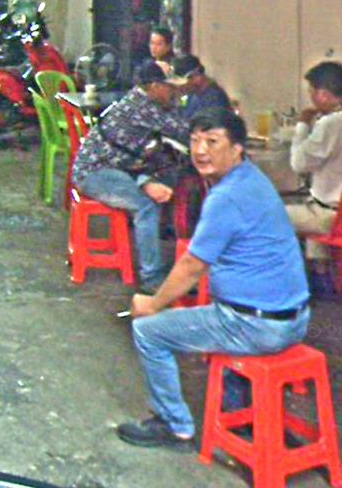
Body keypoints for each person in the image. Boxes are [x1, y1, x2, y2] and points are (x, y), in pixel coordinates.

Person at [116, 107, 310, 448]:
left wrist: (154, 303)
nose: (200, 150)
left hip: (257, 326)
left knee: (149, 331)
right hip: (294, 318)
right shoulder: (252, 178)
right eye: (195, 141)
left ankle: (174, 426)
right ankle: (240, 416)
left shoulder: (227, 197)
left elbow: (193, 264)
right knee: (219, 313)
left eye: (212, 141)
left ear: (237, 148)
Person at [72, 60, 190, 294]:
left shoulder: (139, 98)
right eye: (170, 87)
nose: (174, 91)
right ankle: (152, 278)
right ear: (155, 86)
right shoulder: (144, 107)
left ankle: (157, 244)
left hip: (109, 167)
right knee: (147, 206)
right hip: (95, 174)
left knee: (164, 176)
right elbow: (183, 131)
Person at [286, 61, 342, 293]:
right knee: (310, 202)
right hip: (334, 209)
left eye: (311, 92)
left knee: (268, 213)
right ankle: (321, 272)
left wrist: (302, 125)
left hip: (330, 215)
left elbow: (299, 163)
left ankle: (288, 283)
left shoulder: (331, 123)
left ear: (324, 95)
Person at [172, 54, 232, 119]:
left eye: (181, 82)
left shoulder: (214, 99)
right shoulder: (188, 96)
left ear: (196, 75)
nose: (178, 87)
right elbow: (182, 111)